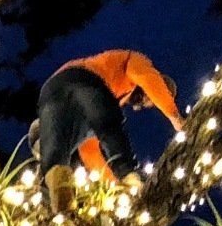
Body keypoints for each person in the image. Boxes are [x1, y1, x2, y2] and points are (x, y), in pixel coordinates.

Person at [30, 50, 185, 216]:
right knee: (109, 123)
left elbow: (89, 150)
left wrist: (111, 186)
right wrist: (177, 120)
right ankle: (128, 175)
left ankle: (62, 202)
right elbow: (147, 79)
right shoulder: (136, 62)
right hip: (82, 79)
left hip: (51, 92)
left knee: (59, 151)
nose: (148, 104)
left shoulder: (116, 93)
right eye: (151, 100)